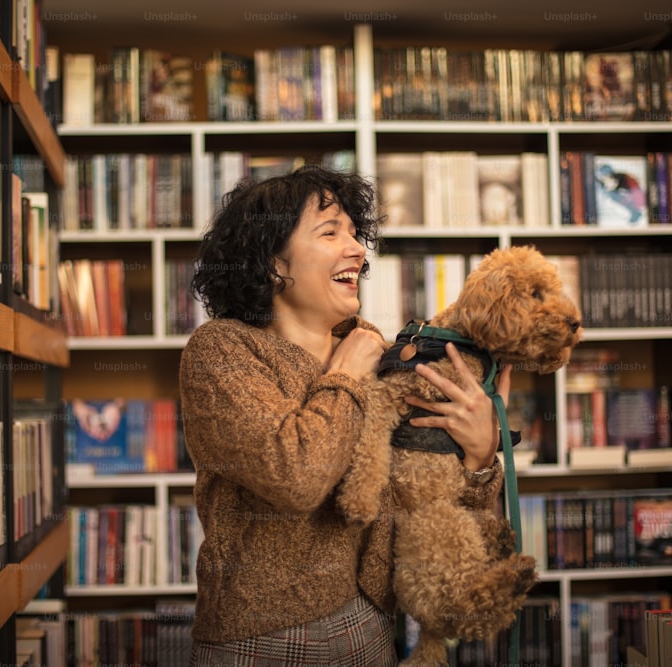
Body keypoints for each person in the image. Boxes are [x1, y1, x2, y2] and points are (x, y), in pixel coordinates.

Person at [179, 165, 512, 666]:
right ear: (273, 262)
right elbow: (295, 476)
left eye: (356, 234)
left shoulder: (382, 351)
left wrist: (481, 456)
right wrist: (348, 376)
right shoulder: (222, 350)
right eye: (330, 231)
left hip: (372, 623)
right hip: (263, 636)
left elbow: (423, 498)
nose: (357, 248)